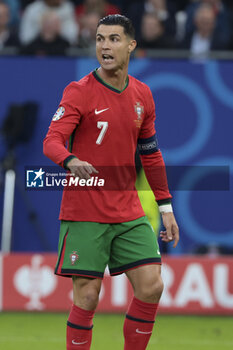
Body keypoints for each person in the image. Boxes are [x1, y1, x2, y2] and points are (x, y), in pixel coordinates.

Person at [43, 14, 179, 350]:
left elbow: (151, 155)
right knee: (88, 296)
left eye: (114, 39)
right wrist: (70, 160)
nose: (105, 45)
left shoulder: (142, 95)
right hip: (85, 210)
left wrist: (166, 207)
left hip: (127, 210)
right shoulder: (79, 91)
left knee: (152, 285)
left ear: (131, 45)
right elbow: (52, 140)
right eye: (100, 38)